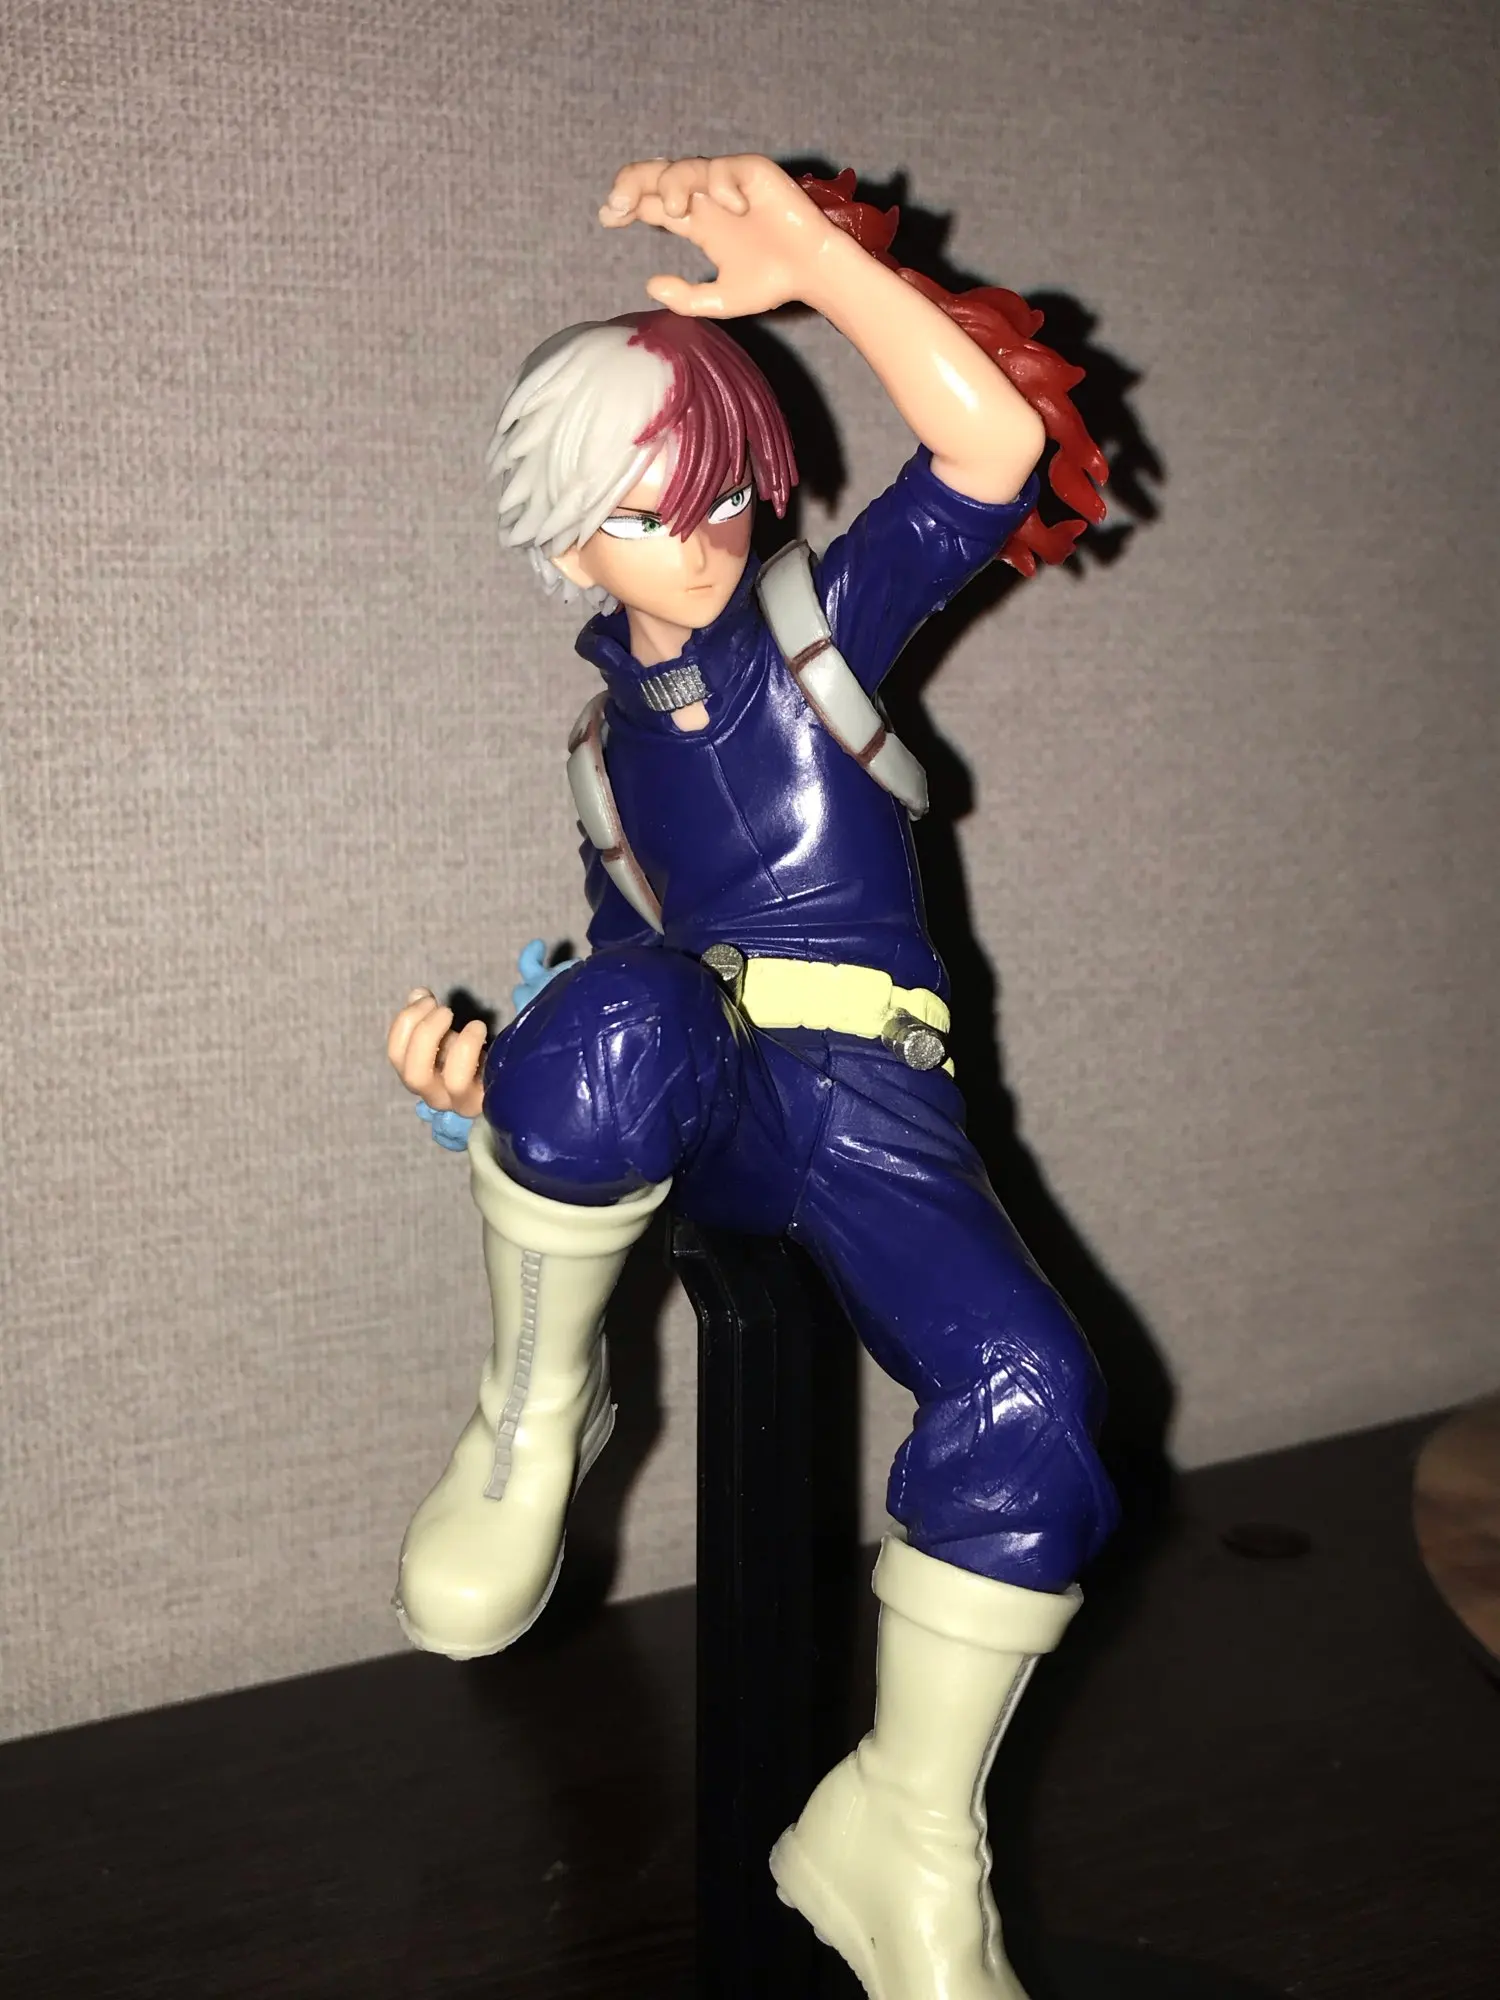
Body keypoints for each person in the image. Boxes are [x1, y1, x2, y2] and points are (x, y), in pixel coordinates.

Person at [387, 153, 1117, 2000]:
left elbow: (988, 452)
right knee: (614, 1021)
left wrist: (816, 267)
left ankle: (904, 1829)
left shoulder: (816, 634)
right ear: (569, 541)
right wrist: (501, 1093)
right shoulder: (599, 758)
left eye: (723, 492)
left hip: (878, 1104)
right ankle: (532, 1422)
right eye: (650, 508)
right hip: (710, 1091)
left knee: (1034, 1399)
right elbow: (613, 998)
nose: (702, 536)